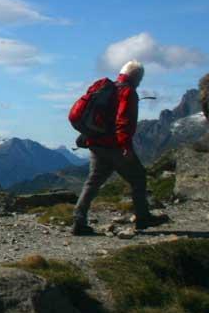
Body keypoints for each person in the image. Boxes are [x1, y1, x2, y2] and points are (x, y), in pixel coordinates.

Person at [71, 60, 169, 236]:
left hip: (95, 143)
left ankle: (79, 220)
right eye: (140, 78)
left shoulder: (106, 88)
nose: (140, 82)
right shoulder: (128, 92)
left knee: (93, 181)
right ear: (137, 77)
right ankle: (143, 218)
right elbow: (123, 121)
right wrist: (125, 147)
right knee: (138, 178)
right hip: (114, 146)